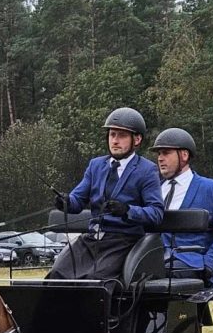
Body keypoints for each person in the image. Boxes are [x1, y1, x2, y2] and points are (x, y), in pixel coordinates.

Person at [48, 107, 164, 281]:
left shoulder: (147, 170)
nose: (115, 141)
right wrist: (65, 202)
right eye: (112, 135)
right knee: (57, 274)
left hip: (124, 241)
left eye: (122, 135)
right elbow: (77, 201)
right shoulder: (96, 165)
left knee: (94, 279)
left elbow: (156, 213)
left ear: (137, 139)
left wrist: (127, 210)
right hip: (92, 239)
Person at [150, 127, 213, 285]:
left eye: (166, 153)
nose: (160, 158)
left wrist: (209, 264)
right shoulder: (152, 189)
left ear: (184, 155)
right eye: (159, 154)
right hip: (151, 260)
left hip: (189, 264)